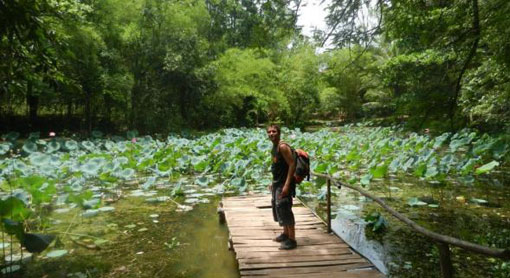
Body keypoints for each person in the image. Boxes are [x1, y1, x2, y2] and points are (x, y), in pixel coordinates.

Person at [267, 124, 297, 250]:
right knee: (279, 208)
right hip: (277, 183)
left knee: (285, 208)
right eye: (269, 132)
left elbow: (292, 164)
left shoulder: (283, 146)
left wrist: (286, 185)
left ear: (278, 133)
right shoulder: (274, 147)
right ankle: (285, 234)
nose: (271, 134)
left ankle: (292, 239)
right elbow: (277, 167)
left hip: (284, 183)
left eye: (274, 131)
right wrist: (272, 183)